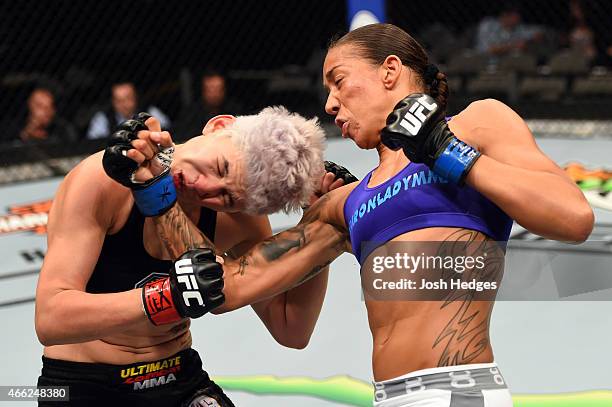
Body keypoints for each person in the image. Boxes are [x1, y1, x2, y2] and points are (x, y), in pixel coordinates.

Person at [145, 23, 594, 407]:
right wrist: (152, 187)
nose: (330, 104)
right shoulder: (347, 202)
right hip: (389, 395)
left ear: (390, 70)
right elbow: (228, 287)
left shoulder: (476, 125)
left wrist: (447, 151)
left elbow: (573, 218)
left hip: (459, 391)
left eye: (339, 81)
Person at [34, 106, 354, 406]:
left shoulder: (240, 217)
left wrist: (320, 225)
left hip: (177, 376)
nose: (205, 187)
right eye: (220, 166)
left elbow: (291, 328)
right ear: (219, 126)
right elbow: (51, 319)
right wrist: (170, 297)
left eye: (226, 197)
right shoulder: (104, 181)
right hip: (82, 383)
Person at [86, 81, 171, 139]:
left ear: (135, 98)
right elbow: (92, 143)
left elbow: (167, 132)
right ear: (113, 102)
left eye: (128, 99)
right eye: (119, 101)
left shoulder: (150, 112)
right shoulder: (103, 118)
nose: (124, 104)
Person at [174, 70, 243, 139]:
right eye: (210, 90)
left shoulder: (235, 111)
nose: (214, 94)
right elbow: (182, 136)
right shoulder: (191, 113)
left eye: (218, 89)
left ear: (224, 90)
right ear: (203, 91)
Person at [2, 87, 77, 145]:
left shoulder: (62, 129)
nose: (46, 111)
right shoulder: (13, 127)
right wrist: (28, 131)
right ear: (30, 106)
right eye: (40, 106)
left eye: (49, 106)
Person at [475, 3, 542, 58]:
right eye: (514, 17)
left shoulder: (518, 28)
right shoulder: (488, 25)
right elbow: (487, 50)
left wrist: (529, 41)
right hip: (486, 63)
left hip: (509, 64)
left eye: (518, 18)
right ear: (505, 15)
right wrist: (513, 46)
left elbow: (537, 33)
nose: (517, 20)